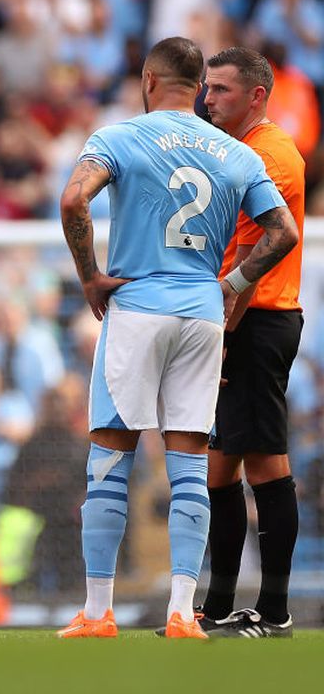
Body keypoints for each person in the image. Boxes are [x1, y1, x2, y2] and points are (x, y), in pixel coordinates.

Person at [56, 37, 299, 640]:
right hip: (201, 314)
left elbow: (72, 200)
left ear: (147, 80)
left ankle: (96, 613)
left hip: (137, 306)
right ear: (198, 88)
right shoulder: (236, 153)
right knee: (191, 461)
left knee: (112, 455)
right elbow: (285, 230)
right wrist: (234, 283)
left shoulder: (118, 138)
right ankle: (183, 613)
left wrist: (90, 276)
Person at [199, 47, 306, 638]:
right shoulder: (238, 153)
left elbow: (248, 261)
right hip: (239, 322)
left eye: (221, 90)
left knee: (265, 462)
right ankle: (217, 608)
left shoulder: (269, 159)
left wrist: (215, 342)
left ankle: (275, 611)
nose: (209, 99)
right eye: (208, 89)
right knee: (219, 469)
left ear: (257, 96)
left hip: (257, 324)